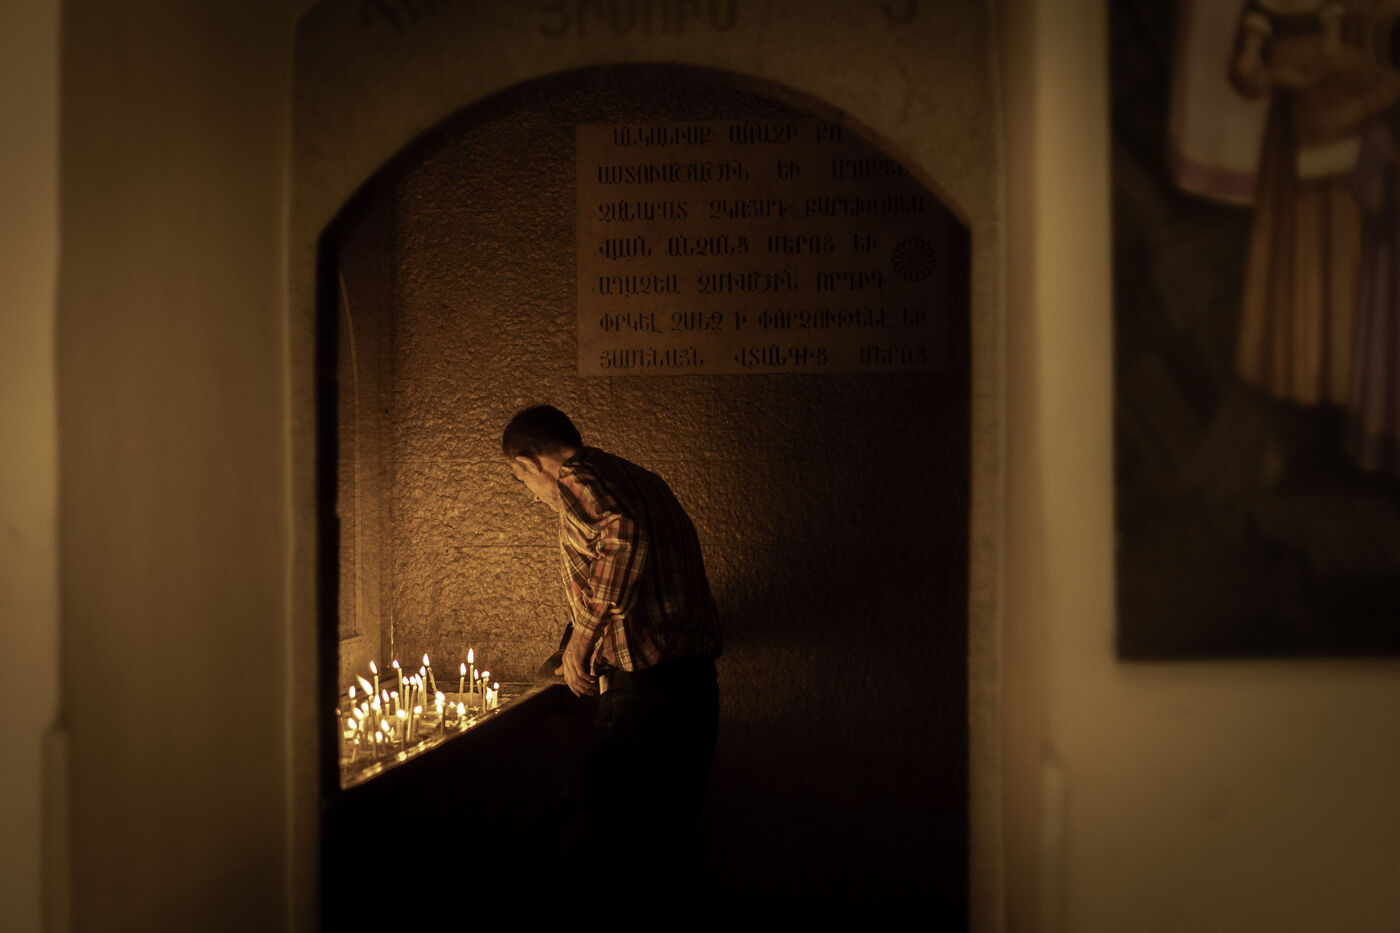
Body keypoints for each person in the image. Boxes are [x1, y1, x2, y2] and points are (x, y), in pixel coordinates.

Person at [501, 404, 722, 894]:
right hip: (694, 688)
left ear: (527, 462)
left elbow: (622, 539)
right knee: (670, 849)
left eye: (523, 482)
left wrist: (582, 642)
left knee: (624, 852)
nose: (534, 497)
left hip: (645, 699)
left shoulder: (576, 476)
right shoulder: (641, 479)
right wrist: (575, 642)